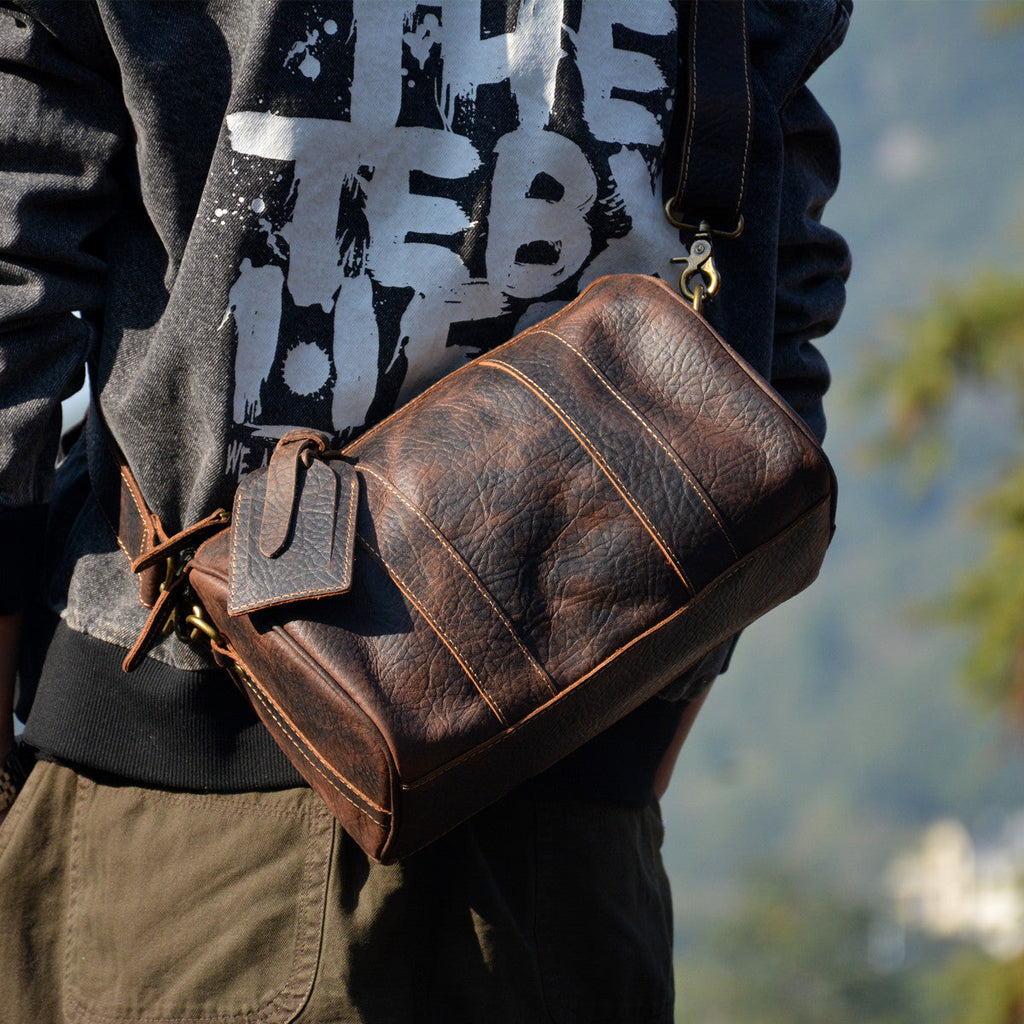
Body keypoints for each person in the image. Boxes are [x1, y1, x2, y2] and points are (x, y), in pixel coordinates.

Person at [0, 2, 851, 1021]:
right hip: (576, 840)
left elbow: (14, 276)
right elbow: (768, 328)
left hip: (185, 824)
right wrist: (629, 731)